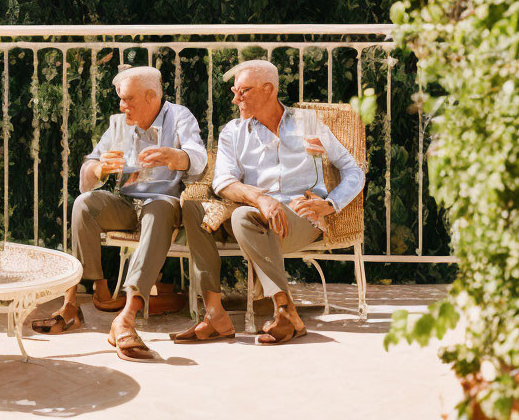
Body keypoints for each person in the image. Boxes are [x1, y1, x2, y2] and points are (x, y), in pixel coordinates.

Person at [174, 59, 364, 345]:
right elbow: (223, 182)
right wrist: (260, 199)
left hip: (300, 216)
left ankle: (285, 312)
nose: (236, 98)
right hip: (254, 220)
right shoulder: (233, 132)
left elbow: (353, 170)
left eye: (244, 91)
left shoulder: (307, 123)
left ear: (268, 89)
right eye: (235, 91)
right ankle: (216, 315)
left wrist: (332, 204)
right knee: (195, 209)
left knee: (242, 218)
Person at [31, 66, 207, 361]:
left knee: (159, 207)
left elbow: (199, 159)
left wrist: (175, 156)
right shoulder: (121, 124)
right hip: (127, 204)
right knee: (84, 204)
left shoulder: (179, 116)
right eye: (120, 99)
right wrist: (98, 169)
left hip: (164, 202)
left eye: (128, 99)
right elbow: (87, 174)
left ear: (151, 96)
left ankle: (126, 316)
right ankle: (84, 297)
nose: (122, 106)